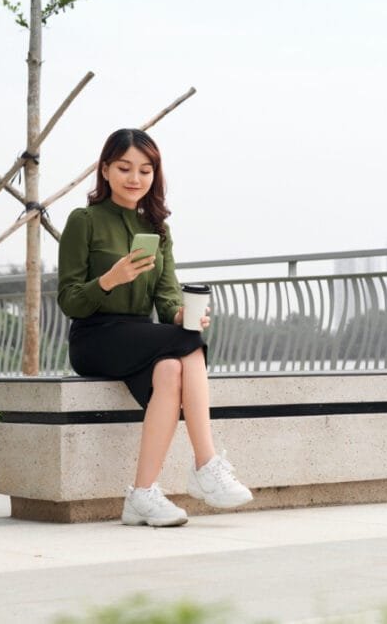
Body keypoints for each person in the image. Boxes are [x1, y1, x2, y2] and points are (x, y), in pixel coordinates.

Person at [57, 127, 252, 527]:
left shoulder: (158, 228)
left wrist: (182, 315)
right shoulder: (85, 220)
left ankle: (142, 495)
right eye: (125, 168)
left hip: (141, 337)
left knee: (171, 366)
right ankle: (205, 464)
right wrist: (111, 279)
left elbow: (166, 300)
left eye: (146, 170)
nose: (135, 178)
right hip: (94, 336)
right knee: (189, 346)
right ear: (105, 170)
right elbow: (69, 300)